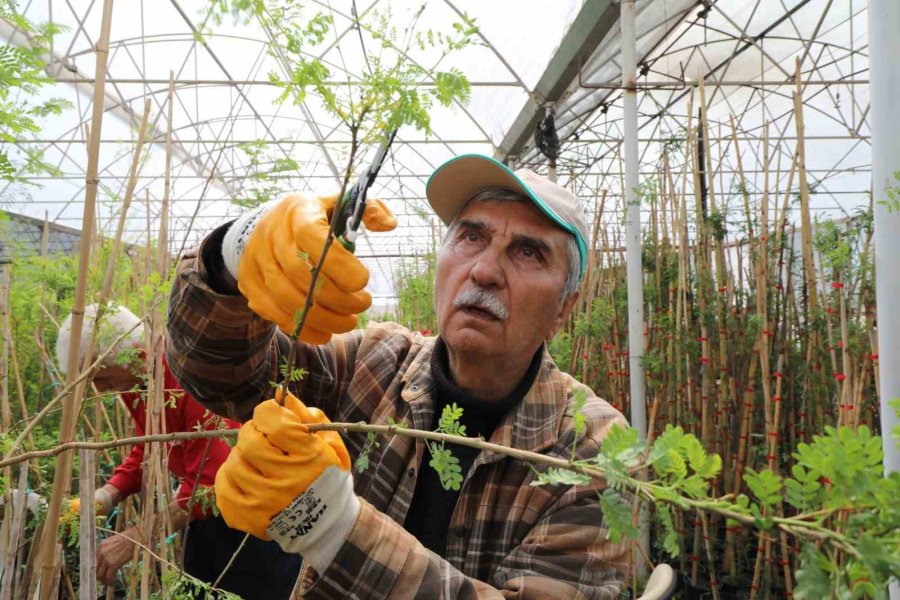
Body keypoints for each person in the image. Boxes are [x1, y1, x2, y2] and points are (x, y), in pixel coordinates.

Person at [165, 158, 630, 599]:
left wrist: (334, 529)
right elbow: (222, 375)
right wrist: (235, 257)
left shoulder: (593, 451)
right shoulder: (374, 363)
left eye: (528, 252)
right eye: (471, 237)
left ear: (564, 310)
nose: (485, 270)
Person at [56, 303, 302, 598]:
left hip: (257, 516)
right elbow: (149, 448)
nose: (99, 389)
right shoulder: (136, 382)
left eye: (100, 376)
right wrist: (106, 495)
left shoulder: (190, 374)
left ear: (130, 353)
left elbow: (212, 483)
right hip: (206, 517)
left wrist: (136, 537)